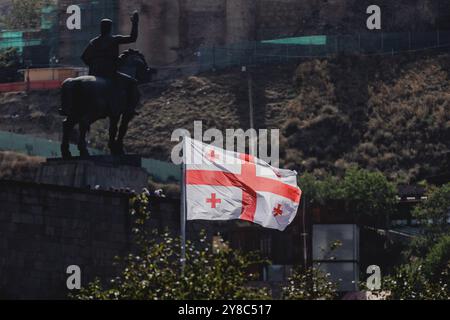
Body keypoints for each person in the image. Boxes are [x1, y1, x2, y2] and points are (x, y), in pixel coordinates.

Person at [81, 11, 140, 78]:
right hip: (110, 73)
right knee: (132, 82)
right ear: (110, 28)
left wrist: (94, 65)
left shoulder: (93, 41)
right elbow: (132, 38)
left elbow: (84, 57)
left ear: (101, 28)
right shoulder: (115, 39)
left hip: (94, 73)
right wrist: (135, 23)